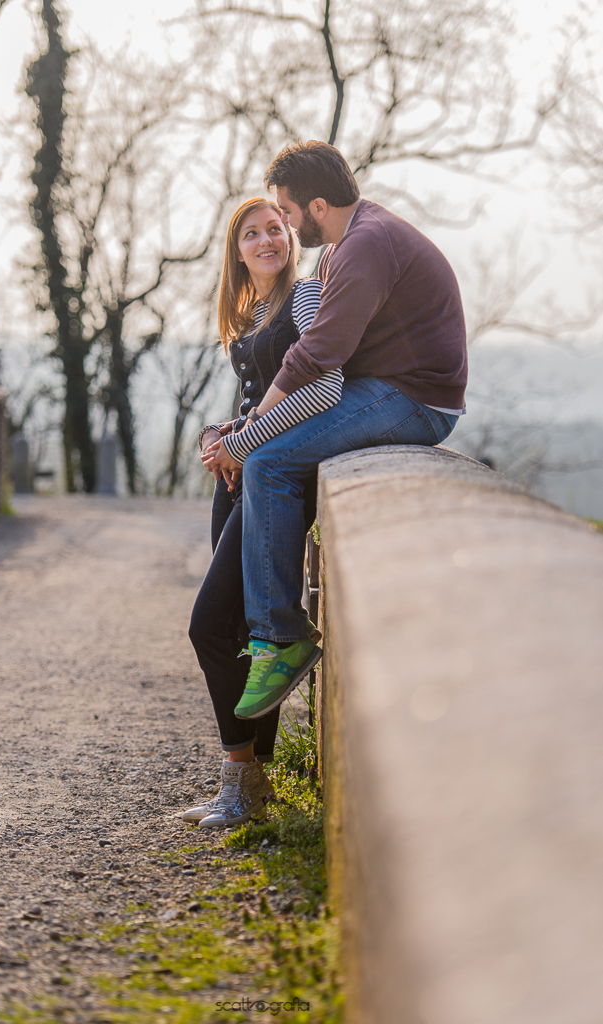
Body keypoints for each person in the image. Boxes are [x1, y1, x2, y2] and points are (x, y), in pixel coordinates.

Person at [205, 141, 468, 719]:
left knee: (269, 464)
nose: (288, 226)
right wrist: (242, 426)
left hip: (415, 398)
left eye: (289, 213)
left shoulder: (364, 246)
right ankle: (274, 633)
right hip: (389, 387)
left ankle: (280, 636)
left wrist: (247, 438)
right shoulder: (355, 242)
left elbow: (319, 355)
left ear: (316, 205)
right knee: (267, 452)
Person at [183, 197, 343, 829]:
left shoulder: (304, 299)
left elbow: (321, 389)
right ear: (237, 250)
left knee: (208, 625)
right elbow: (261, 397)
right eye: (252, 234)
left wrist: (242, 441)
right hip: (239, 483)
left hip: (273, 485)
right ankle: (252, 783)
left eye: (275, 228)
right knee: (247, 634)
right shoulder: (248, 312)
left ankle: (239, 781)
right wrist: (224, 430)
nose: (267, 239)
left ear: (290, 237)